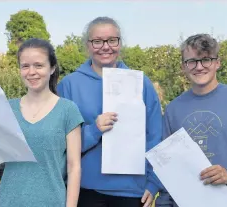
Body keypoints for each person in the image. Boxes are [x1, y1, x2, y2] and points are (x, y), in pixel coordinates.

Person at [155, 34, 227, 207]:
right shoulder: (173, 109)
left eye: (206, 60)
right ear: (183, 66)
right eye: (192, 61)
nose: (199, 67)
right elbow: (167, 165)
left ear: (217, 63)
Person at [57, 16, 163, 207]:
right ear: (88, 45)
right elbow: (60, 141)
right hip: (85, 189)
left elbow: (155, 136)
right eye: (97, 41)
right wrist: (94, 130)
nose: (105, 47)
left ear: (120, 43)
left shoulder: (141, 83)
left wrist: (154, 182)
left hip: (132, 191)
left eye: (112, 40)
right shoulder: (69, 85)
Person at [0, 38, 83, 207]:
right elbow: (2, 161)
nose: (31, 72)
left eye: (38, 65)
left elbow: (74, 167)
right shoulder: (7, 109)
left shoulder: (68, 110)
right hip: (9, 202)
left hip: (52, 202)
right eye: (25, 66)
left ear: (52, 68)